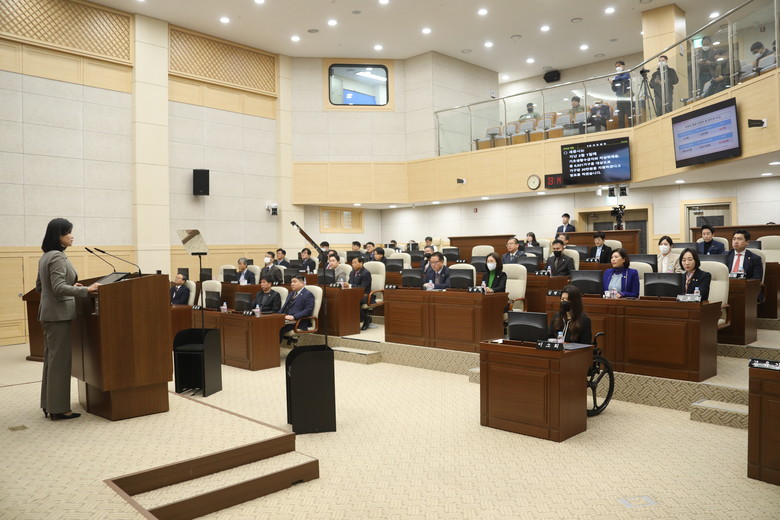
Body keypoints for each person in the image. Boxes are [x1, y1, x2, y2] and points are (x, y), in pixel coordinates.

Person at [36, 218, 100, 421]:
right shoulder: (57, 257)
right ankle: (59, 409)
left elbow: (40, 287)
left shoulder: (46, 256)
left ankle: (49, 404)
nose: (72, 236)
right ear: (59, 236)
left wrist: (71, 286)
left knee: (52, 360)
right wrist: (86, 290)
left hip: (50, 314)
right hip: (58, 316)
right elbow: (57, 288)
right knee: (60, 362)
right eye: (69, 232)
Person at [278, 275, 315, 342]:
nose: (292, 284)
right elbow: (284, 307)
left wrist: (294, 317)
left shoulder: (308, 294)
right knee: (271, 325)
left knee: (278, 328)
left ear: (302, 283)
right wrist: (277, 316)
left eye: (294, 282)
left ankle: (273, 348)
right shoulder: (291, 293)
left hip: (298, 321)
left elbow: (308, 310)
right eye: (291, 282)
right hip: (286, 320)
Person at [349, 256, 374, 330]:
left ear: (361, 263)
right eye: (352, 263)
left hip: (365, 295)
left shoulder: (366, 273)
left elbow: (363, 287)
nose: (353, 264)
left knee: (353, 302)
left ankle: (366, 319)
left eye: (355, 263)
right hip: (353, 294)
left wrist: (350, 285)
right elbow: (349, 283)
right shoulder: (352, 272)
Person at [609, 60, 632, 128]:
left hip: (626, 96)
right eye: (616, 67)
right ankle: (621, 128)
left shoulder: (627, 73)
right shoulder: (616, 77)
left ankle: (631, 126)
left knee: (629, 113)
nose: (617, 68)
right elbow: (614, 89)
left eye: (619, 66)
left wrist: (614, 81)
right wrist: (612, 84)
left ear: (623, 66)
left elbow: (623, 79)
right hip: (619, 98)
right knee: (620, 115)